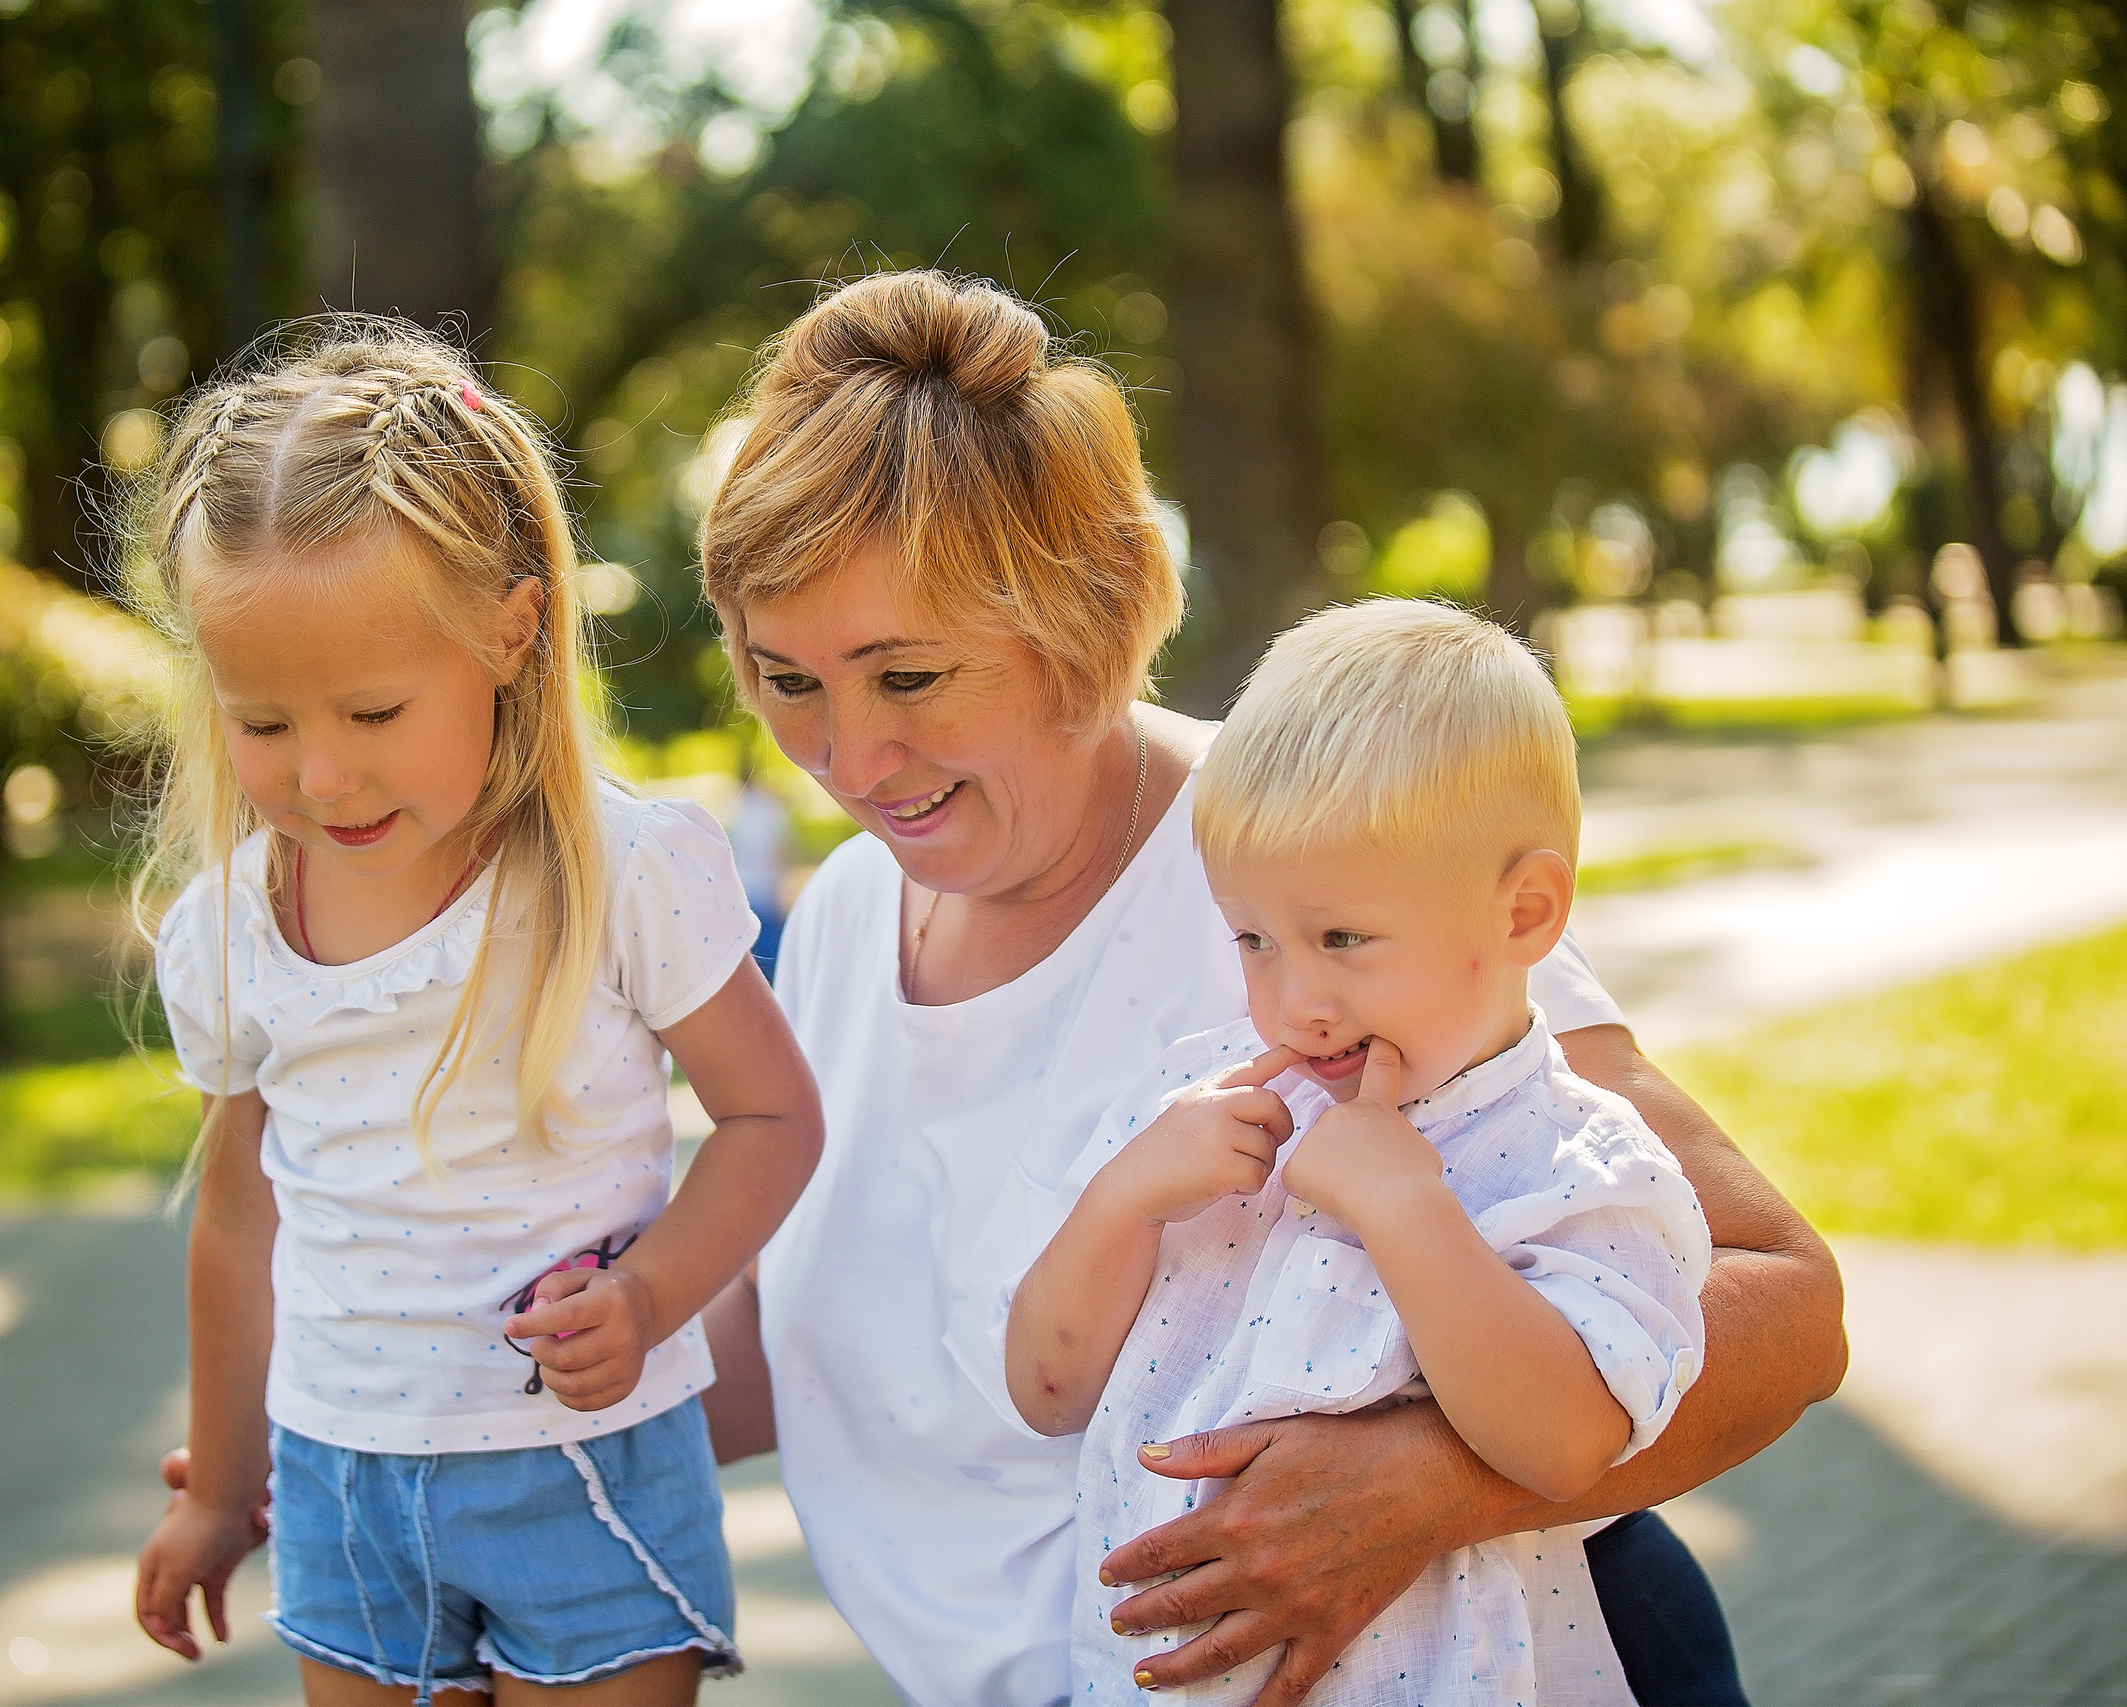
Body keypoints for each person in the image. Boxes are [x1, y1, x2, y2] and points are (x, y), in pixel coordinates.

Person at [693, 270, 1842, 1706]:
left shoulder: (1312, 859)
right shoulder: (850, 910)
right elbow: (809, 1323)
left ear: (1086, 615)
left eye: (910, 676)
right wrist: (420, 1399)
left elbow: (1785, 1302)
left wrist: (1426, 1486)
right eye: (786, 677)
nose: (849, 762)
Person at [123, 319, 824, 1707]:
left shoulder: (622, 873)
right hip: (338, 1479)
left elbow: (774, 1114)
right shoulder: (228, 930)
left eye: (375, 708)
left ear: (510, 629)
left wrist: (649, 1293)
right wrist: (221, 1479)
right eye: (263, 722)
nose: (322, 771)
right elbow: (238, 1212)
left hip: (587, 1460)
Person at [995, 601, 1711, 1704]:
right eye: (1252, 940)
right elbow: (1044, 1392)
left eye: (1342, 940)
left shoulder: (1578, 1163)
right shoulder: (1200, 1106)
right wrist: (1119, 1204)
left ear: (1526, 913)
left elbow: (1566, 1443)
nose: (1296, 1001)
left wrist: (1408, 1214)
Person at [723, 754, 793, 981]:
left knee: (752, 950)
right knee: (772, 950)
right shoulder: (770, 809)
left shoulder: (736, 808)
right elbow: (780, 851)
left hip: (745, 886)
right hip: (766, 885)